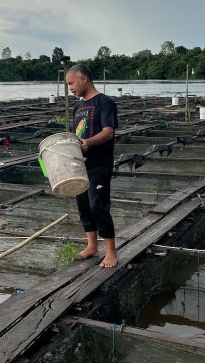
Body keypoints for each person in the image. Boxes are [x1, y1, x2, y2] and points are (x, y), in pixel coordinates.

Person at [65, 64, 119, 268]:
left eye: (71, 83)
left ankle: (111, 252)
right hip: (80, 164)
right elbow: (75, 136)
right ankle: (92, 246)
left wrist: (88, 143)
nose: (70, 88)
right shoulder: (78, 107)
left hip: (99, 164)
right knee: (84, 205)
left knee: (98, 206)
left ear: (84, 79)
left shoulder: (104, 102)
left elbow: (108, 132)